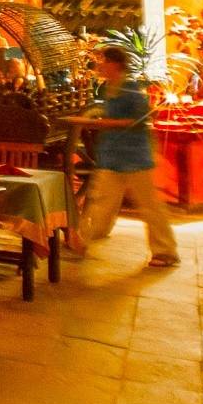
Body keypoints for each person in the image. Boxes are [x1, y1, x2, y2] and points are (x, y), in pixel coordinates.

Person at [76, 44, 180, 267]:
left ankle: (165, 251)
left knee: (149, 204)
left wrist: (103, 123)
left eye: (103, 60)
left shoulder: (130, 88)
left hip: (135, 155)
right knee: (101, 200)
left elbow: (140, 120)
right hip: (112, 155)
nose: (99, 64)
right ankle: (82, 239)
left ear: (115, 63)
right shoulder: (107, 89)